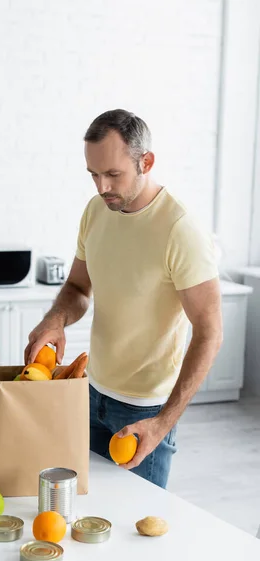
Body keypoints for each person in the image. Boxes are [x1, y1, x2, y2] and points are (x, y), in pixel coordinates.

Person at [24, 109, 223, 489]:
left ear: (145, 162)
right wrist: (56, 320)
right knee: (88, 515)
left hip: (145, 411)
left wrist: (163, 422)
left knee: (137, 532)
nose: (101, 187)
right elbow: (78, 289)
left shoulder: (180, 230)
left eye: (113, 174)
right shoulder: (97, 211)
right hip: (91, 392)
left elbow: (210, 333)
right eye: (94, 175)